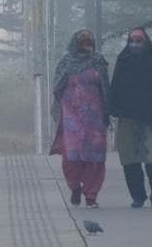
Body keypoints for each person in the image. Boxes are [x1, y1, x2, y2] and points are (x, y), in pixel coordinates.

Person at [110, 28, 152, 208]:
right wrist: (113, 108)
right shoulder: (123, 60)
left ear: (146, 41)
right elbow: (116, 86)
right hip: (128, 117)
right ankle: (138, 196)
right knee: (130, 160)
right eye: (132, 40)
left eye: (139, 40)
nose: (135, 44)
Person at [50, 29, 110, 208]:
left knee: (95, 158)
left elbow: (106, 88)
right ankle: (75, 186)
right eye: (82, 42)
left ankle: (91, 195)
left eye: (89, 42)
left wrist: (108, 111)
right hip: (72, 117)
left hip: (95, 118)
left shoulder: (99, 61)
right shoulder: (66, 61)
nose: (86, 46)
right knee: (71, 156)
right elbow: (57, 87)